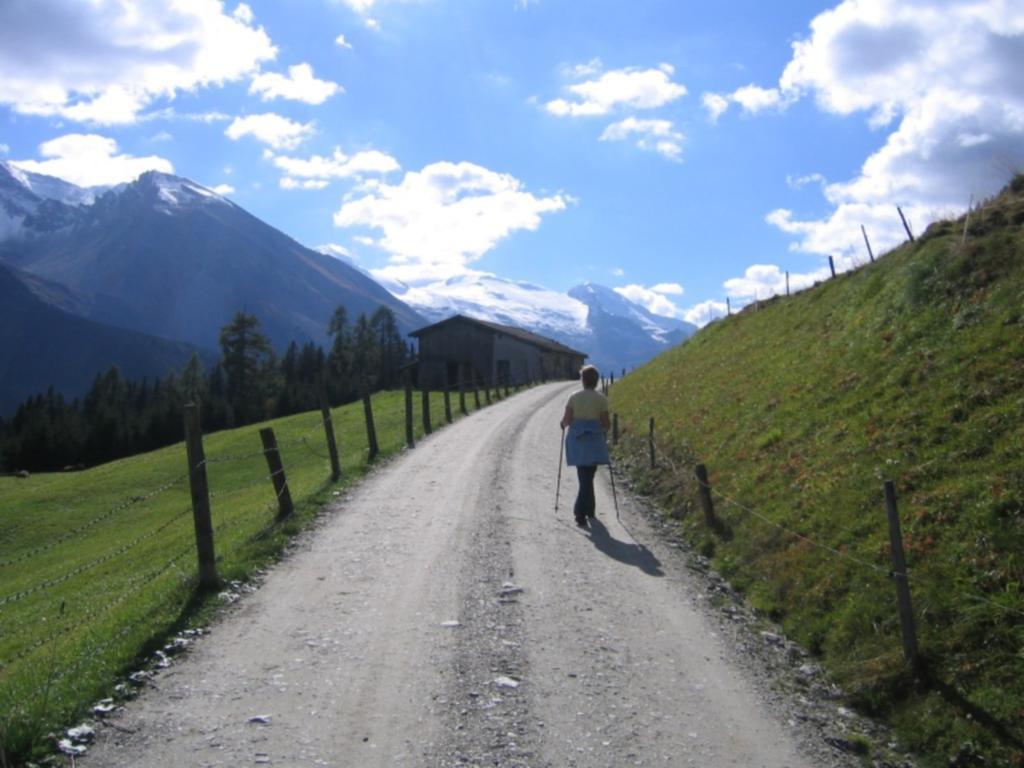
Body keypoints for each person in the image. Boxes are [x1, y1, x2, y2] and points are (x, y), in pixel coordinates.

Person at [560, 365, 611, 528]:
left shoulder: (574, 397)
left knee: (584, 476)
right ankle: (589, 509)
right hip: (594, 441)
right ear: (596, 381)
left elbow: (567, 420)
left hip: (578, 440)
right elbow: (606, 424)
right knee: (589, 475)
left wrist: (562, 424)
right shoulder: (601, 399)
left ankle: (580, 512)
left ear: (583, 380)